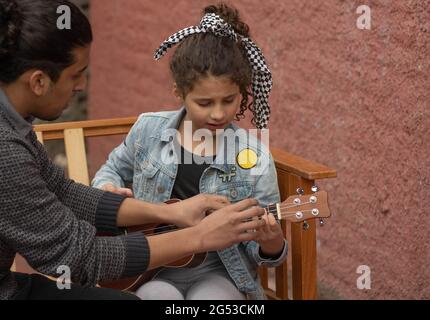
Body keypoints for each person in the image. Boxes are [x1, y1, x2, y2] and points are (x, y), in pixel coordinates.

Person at [0, 0, 267, 300]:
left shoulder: (14, 123)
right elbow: (78, 256)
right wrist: (199, 236)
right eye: (77, 74)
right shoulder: (6, 151)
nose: (81, 85)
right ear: (38, 82)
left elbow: (64, 192)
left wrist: (171, 212)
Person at [92, 3, 287, 300]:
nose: (219, 113)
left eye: (229, 100)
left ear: (243, 92)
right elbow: (112, 169)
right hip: (153, 264)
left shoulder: (254, 156)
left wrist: (271, 243)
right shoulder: (149, 130)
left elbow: (264, 253)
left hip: (219, 271)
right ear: (179, 93)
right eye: (205, 103)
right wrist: (108, 187)